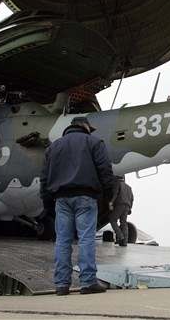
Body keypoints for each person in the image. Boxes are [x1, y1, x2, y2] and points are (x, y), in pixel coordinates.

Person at [40, 116, 115, 296]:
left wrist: (46, 202)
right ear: (85, 127)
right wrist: (109, 196)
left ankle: (61, 285)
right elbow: (105, 170)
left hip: (62, 199)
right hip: (86, 197)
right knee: (86, 238)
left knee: (62, 241)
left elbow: (44, 177)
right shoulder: (94, 143)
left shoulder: (53, 147)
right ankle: (88, 282)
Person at [108, 176, 134, 246]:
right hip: (127, 206)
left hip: (120, 204)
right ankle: (125, 242)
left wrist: (111, 202)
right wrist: (130, 208)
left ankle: (120, 236)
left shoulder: (118, 184)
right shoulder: (129, 187)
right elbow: (132, 199)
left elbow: (115, 193)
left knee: (112, 220)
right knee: (123, 223)